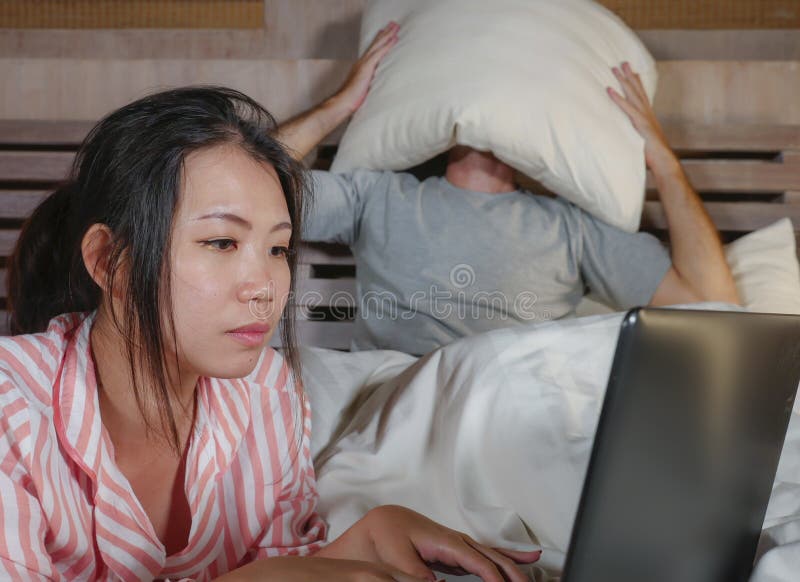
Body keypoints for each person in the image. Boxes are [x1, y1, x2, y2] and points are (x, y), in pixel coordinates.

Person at [0, 86, 541, 581]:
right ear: (111, 262)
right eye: (220, 243)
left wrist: (360, 541)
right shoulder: (11, 415)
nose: (264, 287)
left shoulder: (270, 395)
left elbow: (280, 566)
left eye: (278, 249)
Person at [277, 23, 740, 355]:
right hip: (394, 398)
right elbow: (245, 190)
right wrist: (338, 105)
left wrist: (663, 160)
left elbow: (712, 303)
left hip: (509, 409)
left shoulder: (573, 229)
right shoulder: (376, 196)